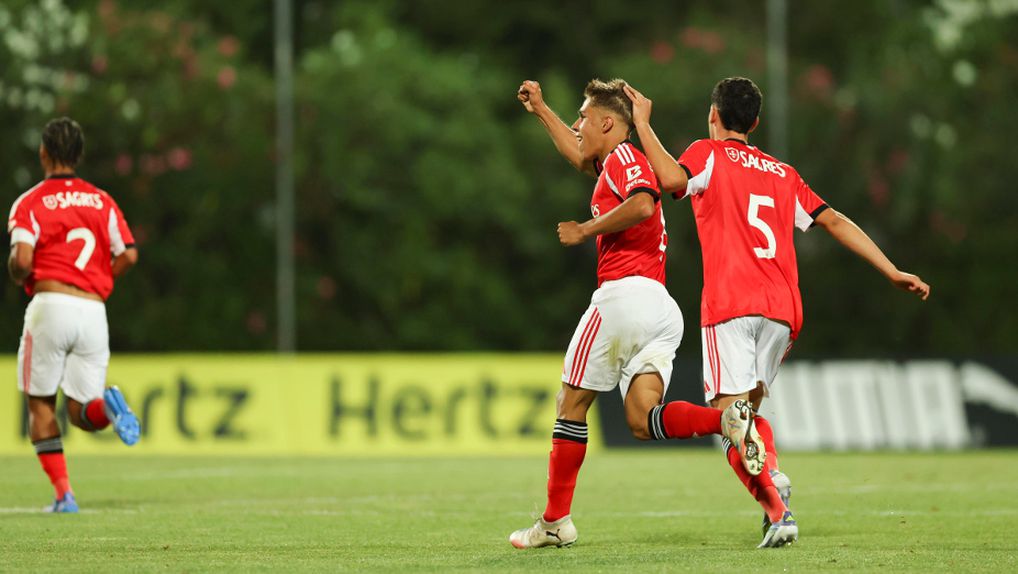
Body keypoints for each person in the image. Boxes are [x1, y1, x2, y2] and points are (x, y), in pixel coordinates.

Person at [623, 77, 931, 547]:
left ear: (713, 115)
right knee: (745, 420)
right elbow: (833, 219)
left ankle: (777, 506)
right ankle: (774, 479)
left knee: (730, 421)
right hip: (783, 311)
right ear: (757, 122)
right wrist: (890, 270)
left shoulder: (708, 153)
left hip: (731, 304)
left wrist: (643, 125)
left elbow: (670, 181)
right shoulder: (783, 173)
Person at [508, 79, 758, 549]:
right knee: (643, 420)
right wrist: (542, 110)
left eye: (582, 117)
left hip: (623, 298)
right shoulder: (609, 162)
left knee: (570, 404)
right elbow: (580, 156)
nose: (578, 125)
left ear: (608, 123)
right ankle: (724, 420)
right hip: (661, 309)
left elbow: (643, 203)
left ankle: (555, 522)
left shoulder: (624, 157)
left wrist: (585, 230)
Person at [7, 117, 142, 513]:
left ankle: (64, 494)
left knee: (41, 404)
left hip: (51, 306)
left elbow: (24, 258)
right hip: (92, 310)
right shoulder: (102, 201)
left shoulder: (30, 202)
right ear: (78, 155)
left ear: (44, 153)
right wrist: (100, 279)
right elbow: (129, 253)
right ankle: (110, 408)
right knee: (84, 413)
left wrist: (17, 272)